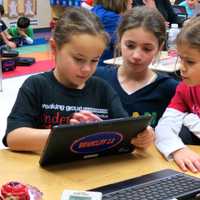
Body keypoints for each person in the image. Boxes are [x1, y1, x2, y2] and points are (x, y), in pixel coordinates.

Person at [3, 7, 154, 153]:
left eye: (94, 60)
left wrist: (144, 137)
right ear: (55, 48)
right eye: (78, 59)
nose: (87, 69)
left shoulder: (102, 90)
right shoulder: (37, 86)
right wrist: (71, 135)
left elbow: (127, 132)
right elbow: (14, 137)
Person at [95, 6, 178, 127]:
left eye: (147, 49)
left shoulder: (170, 90)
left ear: (159, 48)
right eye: (130, 45)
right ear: (119, 41)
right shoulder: (97, 79)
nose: (136, 56)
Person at [155, 16, 200, 173]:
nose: (182, 68)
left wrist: (189, 119)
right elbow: (164, 127)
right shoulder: (185, 88)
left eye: (190, 62)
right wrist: (177, 149)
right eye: (181, 59)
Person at [91, 0, 132, 66]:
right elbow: (128, 47)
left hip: (96, 64)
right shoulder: (111, 18)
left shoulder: (96, 10)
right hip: (106, 66)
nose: (131, 1)